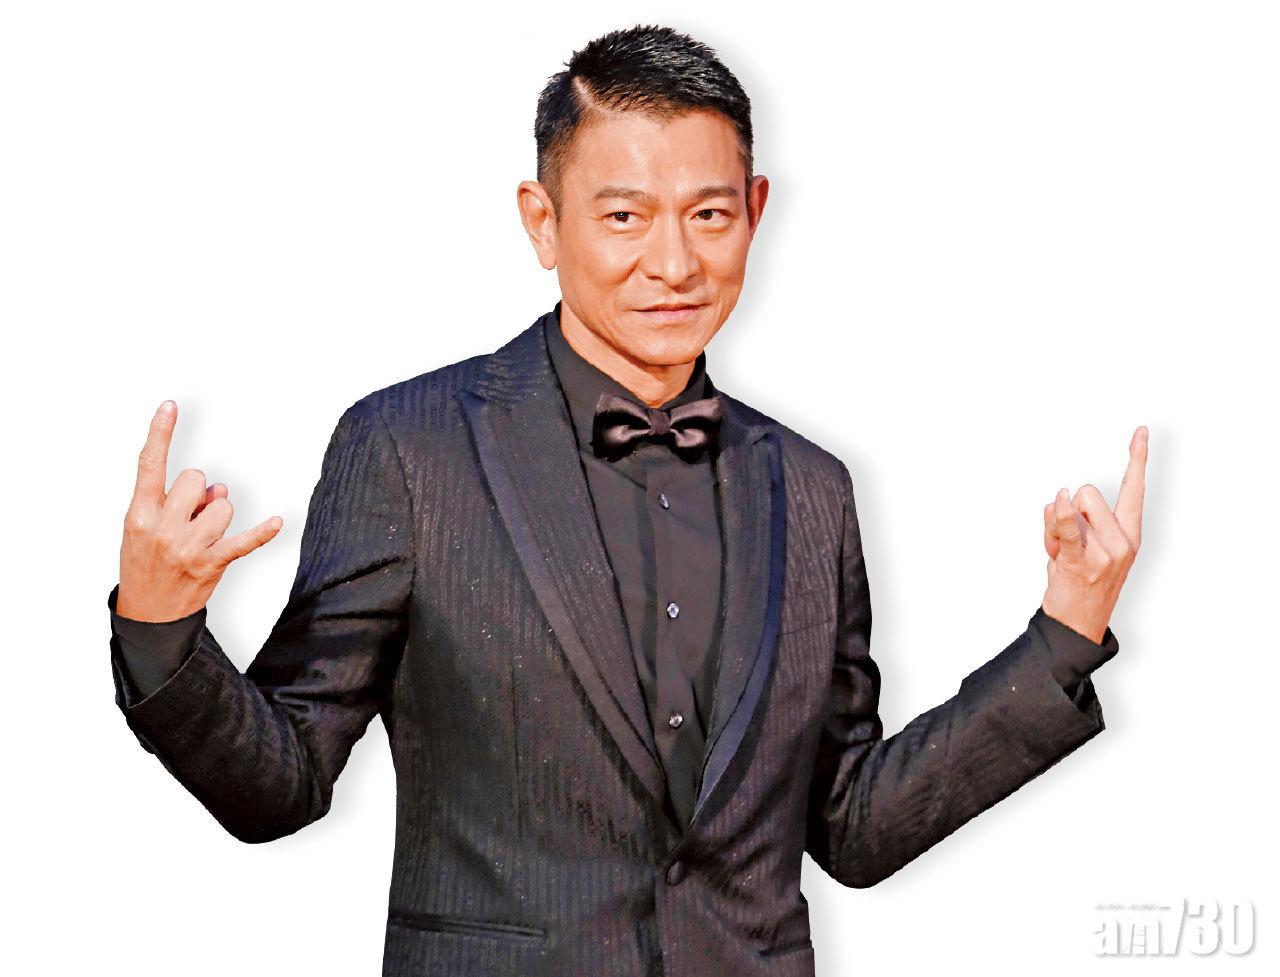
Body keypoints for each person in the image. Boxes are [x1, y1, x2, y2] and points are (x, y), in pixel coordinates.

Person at [107, 23, 1147, 976]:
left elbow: (853, 824)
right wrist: (161, 628)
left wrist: (1063, 633)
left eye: (708, 214)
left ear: (755, 210)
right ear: (542, 221)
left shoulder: (811, 489)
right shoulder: (410, 450)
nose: (674, 262)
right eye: (623, 216)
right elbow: (280, 781)